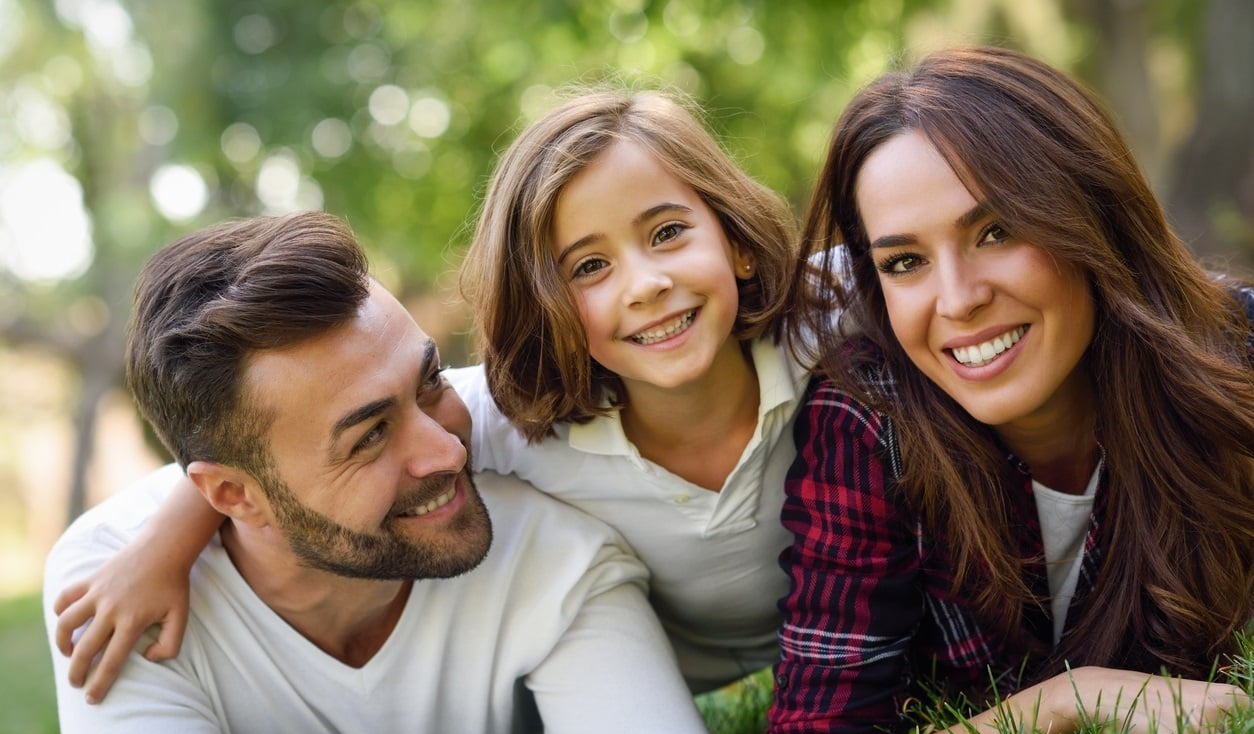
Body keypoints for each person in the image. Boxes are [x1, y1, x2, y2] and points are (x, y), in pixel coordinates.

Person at [665, 45, 1254, 734]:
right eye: (905, 261)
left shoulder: (1233, 358)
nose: (958, 299)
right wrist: (1067, 699)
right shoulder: (867, 420)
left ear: (1091, 210)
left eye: (996, 229)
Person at [53, 87, 810, 699]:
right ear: (544, 304)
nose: (647, 286)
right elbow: (269, 457)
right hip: (663, 674)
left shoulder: (833, 332)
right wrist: (162, 548)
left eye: (669, 232)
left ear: (736, 239)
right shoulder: (519, 423)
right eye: (587, 267)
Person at [42, 212, 731, 734]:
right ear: (232, 493)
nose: (449, 450)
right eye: (369, 435)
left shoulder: (551, 548)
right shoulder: (116, 590)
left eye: (430, 381)